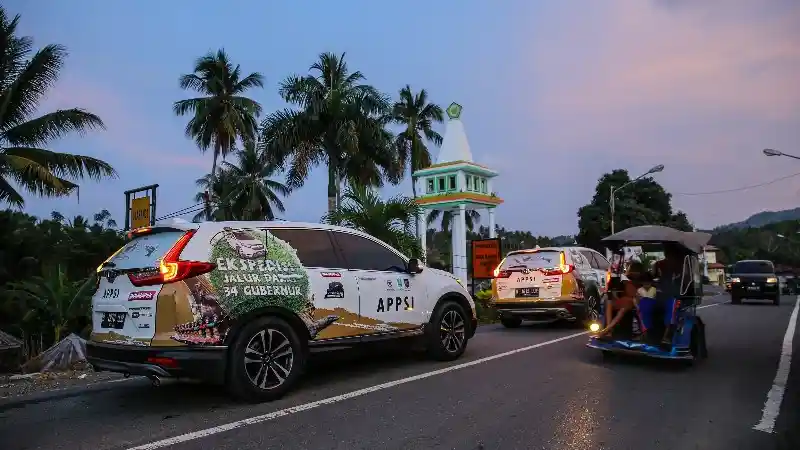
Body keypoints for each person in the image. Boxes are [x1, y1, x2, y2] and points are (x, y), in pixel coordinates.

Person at [595, 261, 644, 338]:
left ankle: (608, 329)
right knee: (608, 300)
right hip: (623, 299)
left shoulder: (641, 281)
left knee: (625, 306)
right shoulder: (625, 279)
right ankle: (609, 328)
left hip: (632, 300)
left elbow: (637, 295)